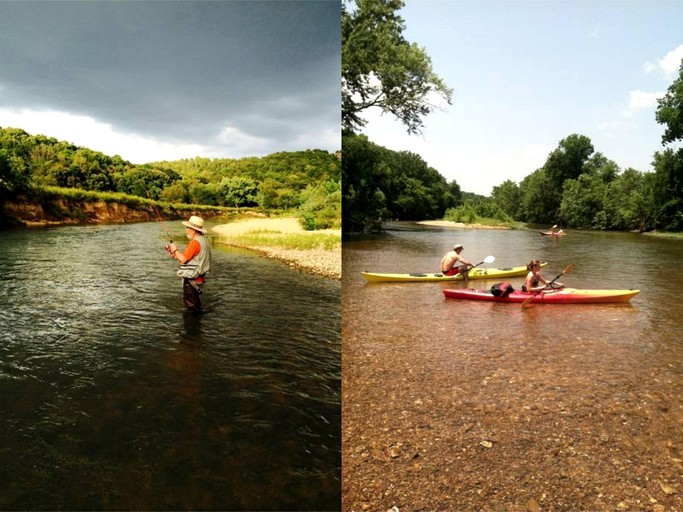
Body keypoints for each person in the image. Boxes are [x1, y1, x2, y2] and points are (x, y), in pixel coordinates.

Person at [167, 215, 212, 312]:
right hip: (199, 278)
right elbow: (189, 259)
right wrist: (175, 254)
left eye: (188, 227)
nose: (186, 229)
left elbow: (183, 259)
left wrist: (175, 249)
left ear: (194, 230)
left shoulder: (194, 243)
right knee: (196, 305)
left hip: (192, 280)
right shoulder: (203, 240)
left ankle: (193, 325)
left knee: (192, 308)